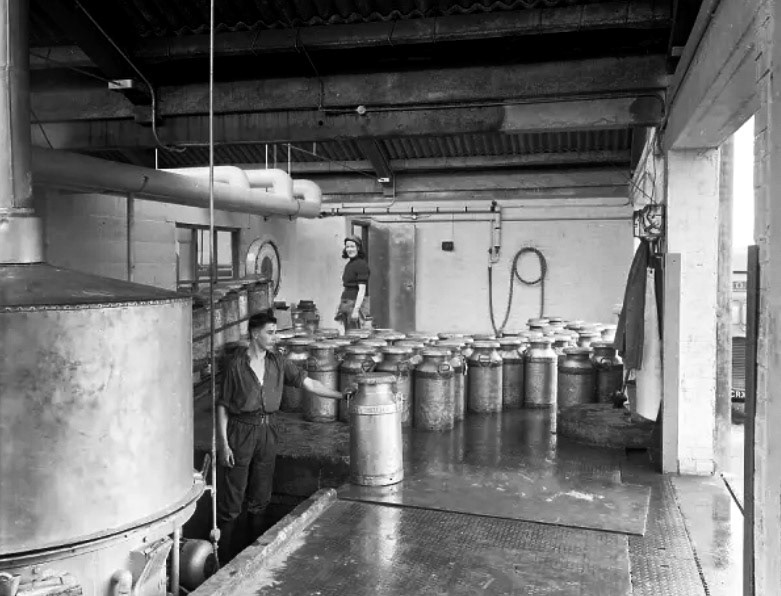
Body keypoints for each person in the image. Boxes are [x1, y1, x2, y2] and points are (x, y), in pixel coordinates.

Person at [215, 309, 343, 562]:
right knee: (233, 495)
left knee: (261, 492)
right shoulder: (235, 365)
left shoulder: (278, 362)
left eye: (276, 333)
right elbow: (223, 405)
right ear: (254, 333)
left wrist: (342, 396)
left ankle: (255, 553)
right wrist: (223, 443)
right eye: (270, 333)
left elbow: (310, 384)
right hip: (240, 430)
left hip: (268, 430)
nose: (275, 338)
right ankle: (224, 557)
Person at [336, 235, 370, 330]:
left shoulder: (361, 264)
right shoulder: (349, 264)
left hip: (355, 304)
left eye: (352, 246)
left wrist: (356, 310)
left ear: (358, 248)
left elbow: (362, 289)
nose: (349, 249)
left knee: (356, 334)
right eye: (347, 247)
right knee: (348, 334)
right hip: (347, 302)